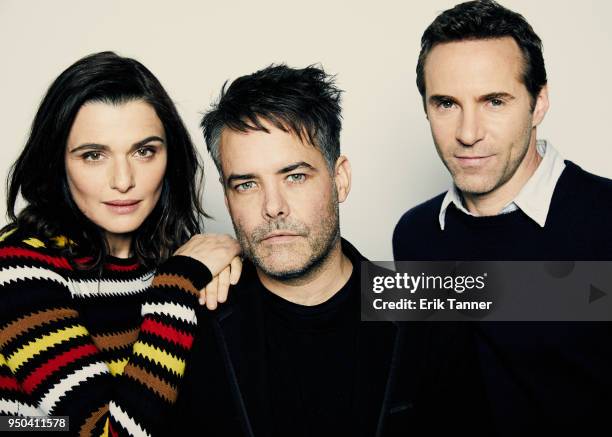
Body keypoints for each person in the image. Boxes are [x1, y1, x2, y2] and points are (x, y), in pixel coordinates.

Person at [167, 64, 481, 437]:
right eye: (247, 184)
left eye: (295, 176)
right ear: (227, 196)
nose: (273, 207)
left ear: (340, 179)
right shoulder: (189, 326)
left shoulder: (429, 320)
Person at [393, 1, 612, 435]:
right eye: (446, 103)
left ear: (539, 103)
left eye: (494, 101)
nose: (468, 132)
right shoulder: (415, 235)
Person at [0, 51, 241, 436]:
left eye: (144, 151)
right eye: (93, 155)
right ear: (57, 161)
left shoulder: (174, 254)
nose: (123, 180)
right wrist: (176, 286)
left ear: (170, 156)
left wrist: (224, 254)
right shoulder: (21, 262)